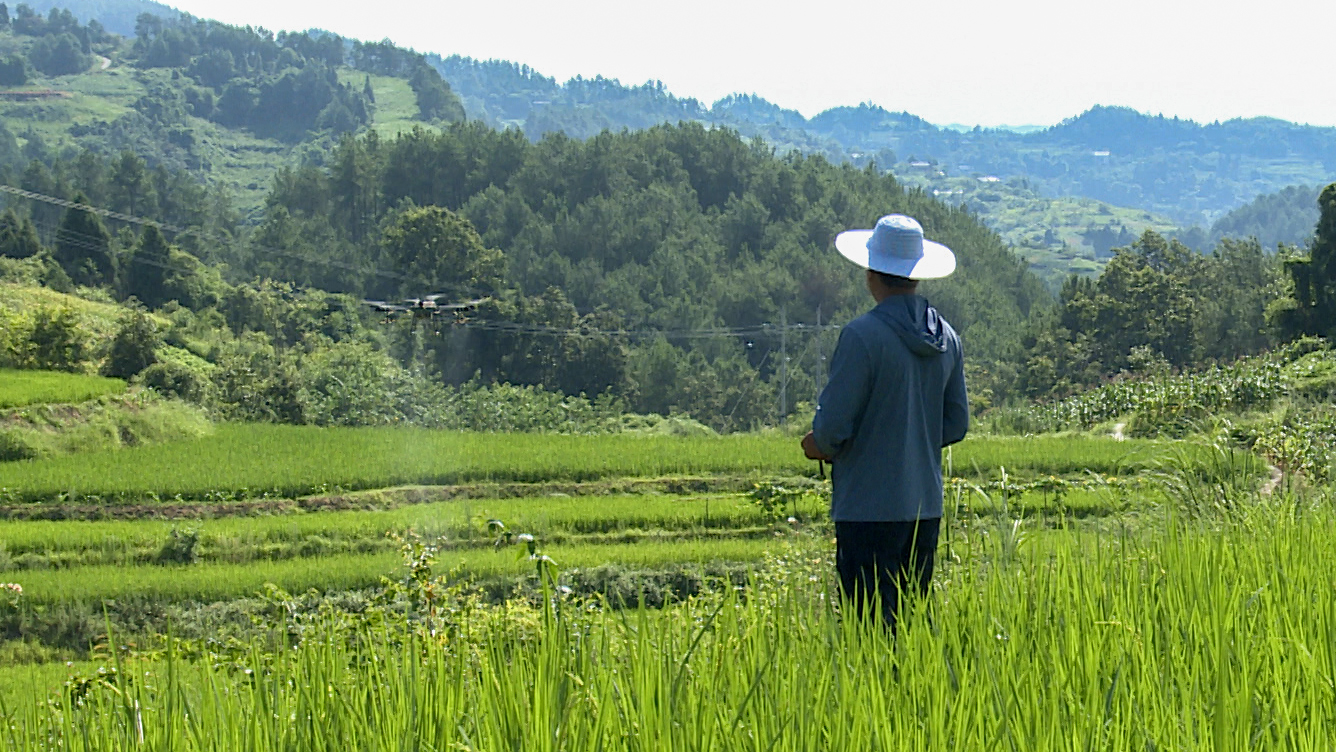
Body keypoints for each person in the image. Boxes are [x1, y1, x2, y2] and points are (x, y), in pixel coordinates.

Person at [802, 214, 969, 632]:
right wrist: (914, 438)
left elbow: (832, 429)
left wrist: (817, 444)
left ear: (871, 273)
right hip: (924, 508)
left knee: (869, 631)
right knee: (911, 627)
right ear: (916, 275)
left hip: (867, 510)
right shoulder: (946, 338)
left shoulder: (862, 336)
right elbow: (956, 423)